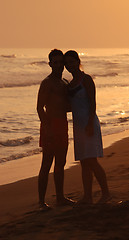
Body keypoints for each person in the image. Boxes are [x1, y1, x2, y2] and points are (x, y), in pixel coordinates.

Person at [64, 50, 110, 204]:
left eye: (72, 62)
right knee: (84, 162)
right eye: (67, 63)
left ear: (78, 61)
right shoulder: (70, 84)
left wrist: (90, 123)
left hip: (89, 123)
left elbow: (93, 102)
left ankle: (106, 193)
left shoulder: (86, 79)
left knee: (92, 161)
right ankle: (88, 196)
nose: (69, 65)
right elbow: (70, 106)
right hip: (78, 126)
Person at [37, 49, 74, 210]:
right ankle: (41, 202)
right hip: (50, 125)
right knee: (46, 163)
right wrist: (47, 128)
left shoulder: (65, 82)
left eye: (61, 62)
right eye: (55, 62)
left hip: (63, 125)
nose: (59, 65)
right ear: (50, 64)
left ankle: (60, 197)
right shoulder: (47, 82)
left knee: (61, 162)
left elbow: (65, 106)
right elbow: (39, 108)